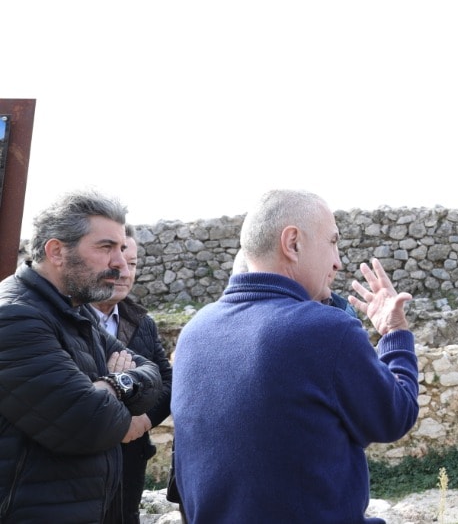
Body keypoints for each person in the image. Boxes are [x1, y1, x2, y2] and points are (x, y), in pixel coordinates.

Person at [171, 189, 420, 524]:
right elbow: (395, 416)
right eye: (333, 242)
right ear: (293, 243)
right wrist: (394, 332)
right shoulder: (324, 329)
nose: (338, 261)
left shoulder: (193, 333)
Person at [0, 191, 163, 524]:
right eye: (105, 247)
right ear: (57, 251)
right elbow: (89, 421)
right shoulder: (15, 316)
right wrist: (119, 395)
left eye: (121, 249)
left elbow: (152, 374)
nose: (120, 264)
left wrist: (112, 384)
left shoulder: (74, 311)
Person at [91, 226, 174, 524]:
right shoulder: (67, 320)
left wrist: (142, 421)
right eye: (117, 263)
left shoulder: (141, 322)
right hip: (82, 467)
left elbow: (168, 382)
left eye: (133, 263)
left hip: (130, 463)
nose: (125, 272)